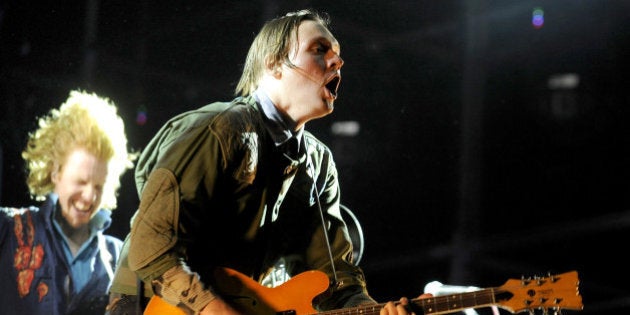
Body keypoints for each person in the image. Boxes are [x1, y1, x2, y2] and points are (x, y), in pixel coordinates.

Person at [107, 9, 428, 315]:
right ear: (274, 63)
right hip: (151, 305)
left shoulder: (319, 164)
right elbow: (152, 247)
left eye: (338, 53)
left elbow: (334, 284)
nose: (338, 60)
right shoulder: (220, 130)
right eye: (319, 49)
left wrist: (374, 310)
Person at [0, 90, 137, 315]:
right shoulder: (9, 230)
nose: (89, 196)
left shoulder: (122, 259)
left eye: (98, 186)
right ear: (56, 172)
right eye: (80, 182)